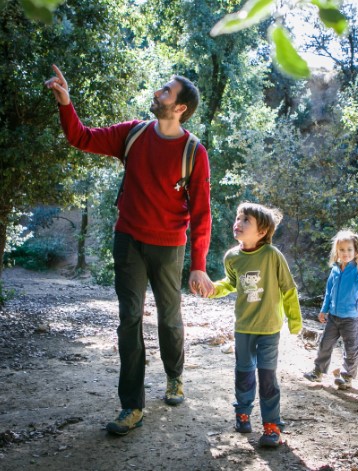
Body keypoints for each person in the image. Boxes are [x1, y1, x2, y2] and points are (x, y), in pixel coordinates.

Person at [45, 64, 214, 435]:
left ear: (181, 107)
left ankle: (174, 376)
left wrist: (198, 265)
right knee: (129, 320)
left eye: (166, 92)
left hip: (169, 246)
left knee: (169, 319)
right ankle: (131, 406)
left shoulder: (193, 152)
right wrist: (66, 102)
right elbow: (81, 137)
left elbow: (202, 212)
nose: (157, 93)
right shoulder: (133, 134)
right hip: (129, 241)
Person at [205, 202, 302, 448]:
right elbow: (230, 283)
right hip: (244, 328)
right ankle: (243, 412)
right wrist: (212, 289)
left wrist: (294, 320)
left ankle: (271, 425)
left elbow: (288, 288)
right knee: (244, 373)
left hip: (269, 328)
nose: (238, 222)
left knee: (267, 377)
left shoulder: (272, 255)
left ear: (262, 232)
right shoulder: (232, 257)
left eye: (246, 219)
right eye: (238, 218)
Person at [304, 230, 358, 390]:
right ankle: (318, 371)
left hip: (351, 318)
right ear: (337, 251)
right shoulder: (334, 270)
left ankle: (347, 377)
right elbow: (329, 292)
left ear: (356, 251)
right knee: (325, 344)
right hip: (333, 317)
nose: (345, 253)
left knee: (351, 348)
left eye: (349, 249)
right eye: (342, 250)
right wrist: (323, 310)